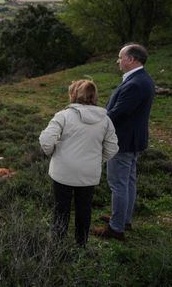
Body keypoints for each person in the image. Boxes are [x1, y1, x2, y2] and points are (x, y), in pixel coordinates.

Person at [39, 79, 118, 246]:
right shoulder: (105, 120)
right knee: (84, 209)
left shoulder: (64, 116)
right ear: (94, 96)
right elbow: (112, 148)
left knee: (61, 209)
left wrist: (53, 154)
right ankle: (81, 244)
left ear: (73, 95)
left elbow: (46, 140)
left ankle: (57, 245)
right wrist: (97, 160)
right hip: (88, 173)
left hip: (63, 172)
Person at [93, 43, 155, 241]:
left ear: (131, 59)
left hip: (123, 141)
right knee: (128, 181)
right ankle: (123, 218)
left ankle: (116, 228)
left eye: (120, 57)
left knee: (118, 183)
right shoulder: (140, 79)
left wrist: (94, 122)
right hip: (132, 139)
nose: (118, 61)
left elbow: (118, 113)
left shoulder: (135, 84)